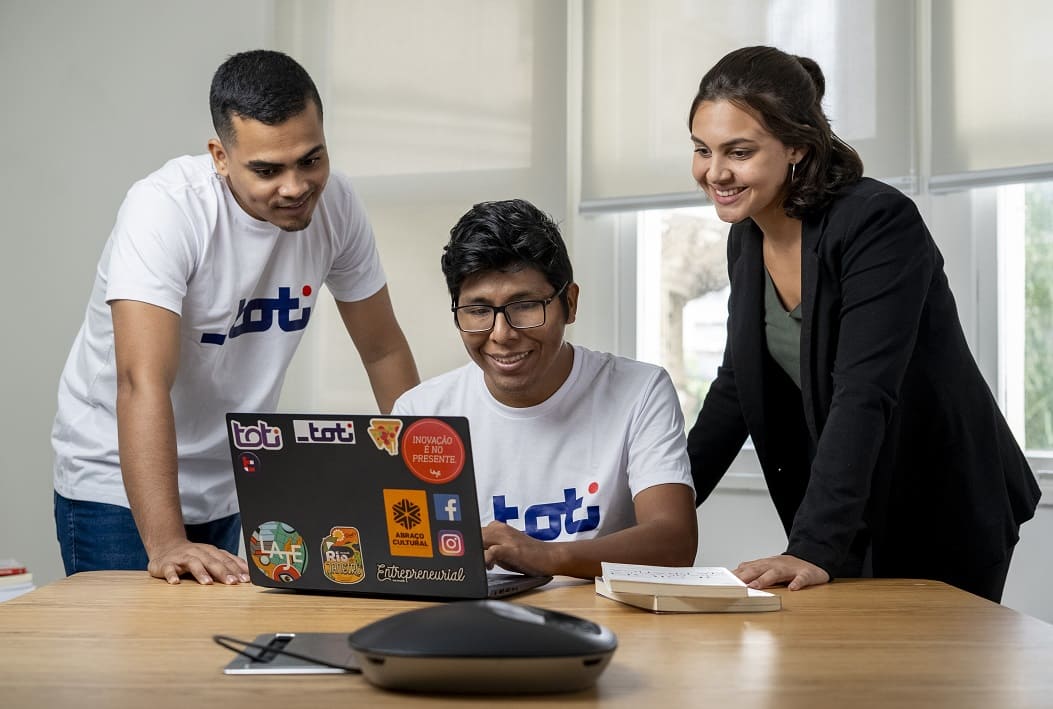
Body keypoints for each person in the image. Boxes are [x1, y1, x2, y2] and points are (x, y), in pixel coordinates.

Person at [685, 45, 1041, 602]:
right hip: (849, 507)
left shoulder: (877, 221)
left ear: (797, 146)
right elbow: (737, 386)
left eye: (739, 151)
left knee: (919, 688)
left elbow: (864, 390)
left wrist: (811, 545)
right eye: (702, 150)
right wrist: (662, 509)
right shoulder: (747, 238)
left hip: (939, 501)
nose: (715, 172)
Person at [52, 50, 419, 586]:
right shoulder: (165, 210)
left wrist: (432, 488)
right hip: (116, 483)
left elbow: (383, 349)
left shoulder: (336, 205)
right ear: (220, 157)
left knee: (231, 659)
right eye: (267, 170)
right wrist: (169, 542)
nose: (295, 186)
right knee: (140, 665)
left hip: (240, 479)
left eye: (311, 160)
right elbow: (141, 382)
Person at [392, 199, 697, 579]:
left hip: (604, 625)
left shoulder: (639, 391)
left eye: (524, 306)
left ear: (569, 303)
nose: (501, 334)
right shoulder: (421, 411)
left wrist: (548, 558)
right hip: (468, 625)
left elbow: (674, 542)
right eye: (478, 310)